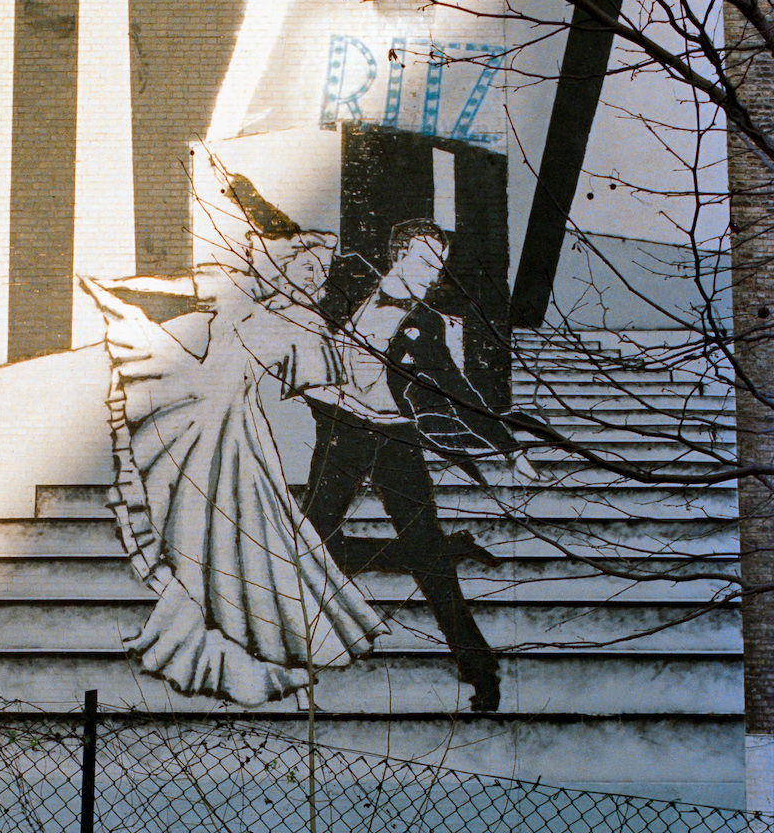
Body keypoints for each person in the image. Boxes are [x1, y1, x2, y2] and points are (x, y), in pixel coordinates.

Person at [80, 224, 388, 707]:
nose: (316, 277)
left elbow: (329, 387)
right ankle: (224, 629)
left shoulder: (301, 325)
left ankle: (244, 639)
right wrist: (111, 286)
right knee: (198, 523)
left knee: (244, 530)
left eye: (322, 271)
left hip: (238, 430)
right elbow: (179, 288)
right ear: (285, 264)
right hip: (194, 405)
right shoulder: (237, 286)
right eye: (308, 265)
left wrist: (379, 415)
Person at [299, 219, 535, 715]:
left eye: (438, 267)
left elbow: (455, 386)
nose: (431, 276)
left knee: (428, 557)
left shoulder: (425, 322)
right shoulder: (347, 290)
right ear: (398, 255)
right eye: (424, 262)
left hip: (395, 441)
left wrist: (508, 447)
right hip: (342, 432)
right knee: (307, 541)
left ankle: (481, 669)